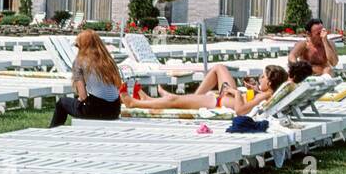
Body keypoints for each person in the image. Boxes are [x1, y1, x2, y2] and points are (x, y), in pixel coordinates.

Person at [121, 63, 289, 116]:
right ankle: (152, 100)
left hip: (218, 102)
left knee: (174, 100)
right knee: (218, 68)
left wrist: (237, 93)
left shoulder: (264, 96)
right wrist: (250, 91)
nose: (260, 78)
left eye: (263, 77)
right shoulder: (266, 93)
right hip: (223, 98)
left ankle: (134, 103)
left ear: (270, 82)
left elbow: (240, 111)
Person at [49, 30, 122, 127]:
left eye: (77, 46)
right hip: (114, 110)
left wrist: (81, 100)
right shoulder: (108, 61)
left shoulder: (79, 62)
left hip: (95, 110)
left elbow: (83, 96)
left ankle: (53, 130)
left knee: (62, 102)